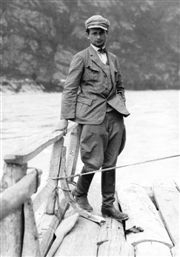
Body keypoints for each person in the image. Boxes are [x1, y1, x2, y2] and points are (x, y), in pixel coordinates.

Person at [58, 15, 130, 221]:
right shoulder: (80, 57)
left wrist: (121, 103)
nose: (98, 36)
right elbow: (70, 89)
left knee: (111, 161)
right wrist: (65, 118)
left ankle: (108, 205)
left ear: (107, 34)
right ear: (88, 35)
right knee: (92, 160)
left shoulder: (114, 58)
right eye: (94, 33)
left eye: (101, 32)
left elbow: (120, 86)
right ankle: (80, 195)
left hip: (115, 116)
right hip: (91, 116)